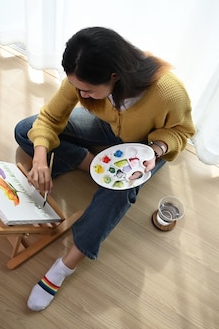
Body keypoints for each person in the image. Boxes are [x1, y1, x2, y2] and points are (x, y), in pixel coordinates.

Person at [14, 27, 196, 311]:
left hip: (146, 145)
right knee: (26, 130)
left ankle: (65, 266)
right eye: (77, 87)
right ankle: (91, 164)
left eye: (87, 89)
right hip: (107, 129)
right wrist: (39, 159)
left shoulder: (167, 91)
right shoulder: (82, 78)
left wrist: (155, 151)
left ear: (114, 76)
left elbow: (182, 132)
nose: (81, 93)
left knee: (120, 190)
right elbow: (50, 116)